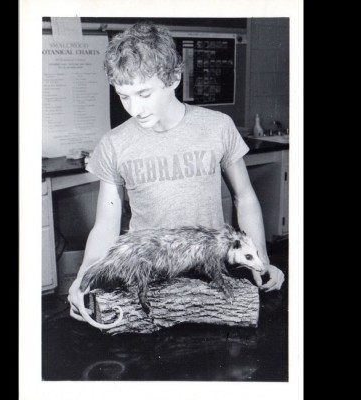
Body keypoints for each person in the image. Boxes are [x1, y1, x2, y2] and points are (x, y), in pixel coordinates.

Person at [68, 22, 285, 321]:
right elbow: (106, 223)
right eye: (123, 96)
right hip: (149, 279)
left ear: (173, 78)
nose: (135, 108)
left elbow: (244, 198)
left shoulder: (217, 126)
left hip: (210, 274)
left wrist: (261, 260)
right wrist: (84, 277)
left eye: (144, 93)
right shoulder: (114, 143)